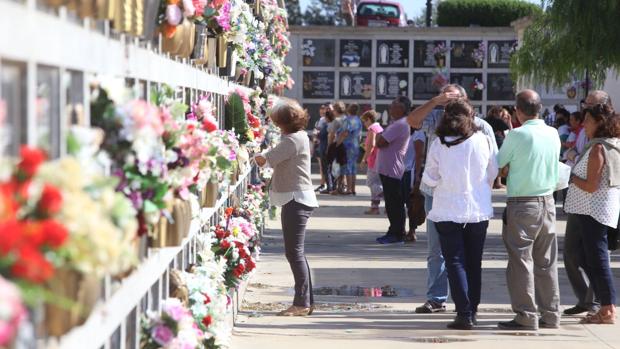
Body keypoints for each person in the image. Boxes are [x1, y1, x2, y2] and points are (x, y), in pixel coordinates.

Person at [406, 84, 497, 314]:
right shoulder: (436, 120)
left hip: (465, 202)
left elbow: (493, 167)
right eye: (445, 99)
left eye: (452, 101)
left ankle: (465, 307)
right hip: (443, 200)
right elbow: (412, 121)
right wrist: (435, 102)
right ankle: (439, 298)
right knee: (438, 251)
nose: (448, 106)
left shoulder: (482, 128)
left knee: (462, 257)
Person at [497, 89, 561, 330]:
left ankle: (526, 315)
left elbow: (499, 163)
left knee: (521, 260)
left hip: (523, 203)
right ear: (540, 108)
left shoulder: (517, 135)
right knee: (546, 261)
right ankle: (551, 314)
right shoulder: (553, 133)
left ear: (518, 111)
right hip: (548, 201)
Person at [254, 99, 319, 316]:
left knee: (294, 253)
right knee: (297, 252)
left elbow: (266, 160)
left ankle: (301, 304)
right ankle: (306, 301)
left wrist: (250, 153)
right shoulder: (297, 137)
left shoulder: (291, 141)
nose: (275, 125)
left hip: (296, 199)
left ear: (283, 122)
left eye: (277, 121)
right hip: (297, 198)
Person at [564, 104, 620, 324]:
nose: (584, 124)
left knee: (596, 260)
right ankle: (606, 304)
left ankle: (607, 309)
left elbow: (590, 186)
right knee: (584, 256)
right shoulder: (614, 144)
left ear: (599, 122)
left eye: (587, 120)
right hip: (601, 208)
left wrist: (569, 175)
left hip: (592, 210)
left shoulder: (598, 148)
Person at [375, 96, 412, 244]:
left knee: (394, 203)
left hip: (392, 169)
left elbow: (380, 142)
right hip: (389, 169)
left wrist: (379, 134)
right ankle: (394, 231)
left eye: (393, 106)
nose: (390, 108)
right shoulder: (397, 123)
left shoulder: (400, 124)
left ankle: (397, 234)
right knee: (392, 203)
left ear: (401, 109)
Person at [402, 128, 426, 242]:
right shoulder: (405, 131)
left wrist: (417, 176)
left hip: (410, 172)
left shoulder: (418, 134)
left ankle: (412, 231)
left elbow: (419, 155)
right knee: (401, 202)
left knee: (412, 203)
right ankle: (401, 229)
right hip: (401, 171)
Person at [360, 110, 384, 214]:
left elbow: (371, 145)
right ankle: (375, 207)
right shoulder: (379, 128)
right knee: (377, 183)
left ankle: (387, 195)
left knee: (370, 183)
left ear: (369, 119)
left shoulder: (372, 129)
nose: (364, 124)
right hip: (381, 160)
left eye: (364, 121)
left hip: (374, 160)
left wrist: (364, 159)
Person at [338, 103, 363, 195]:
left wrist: (337, 143)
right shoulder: (358, 120)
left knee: (348, 167)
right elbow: (359, 136)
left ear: (348, 110)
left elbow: (345, 133)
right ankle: (353, 189)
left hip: (347, 145)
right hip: (356, 145)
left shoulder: (347, 120)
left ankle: (348, 189)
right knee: (353, 167)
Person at [485, 106, 512, 189]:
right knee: (498, 162)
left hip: (486, 142)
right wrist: (509, 121)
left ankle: (491, 182)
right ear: (496, 112)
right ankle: (498, 182)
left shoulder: (485, 120)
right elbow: (508, 128)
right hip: (497, 141)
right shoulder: (498, 120)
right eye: (500, 112)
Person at [327, 101, 347, 194]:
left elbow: (332, 134)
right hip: (348, 145)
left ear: (336, 110)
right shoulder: (346, 118)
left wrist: (329, 146)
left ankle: (339, 188)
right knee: (344, 166)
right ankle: (343, 187)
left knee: (336, 167)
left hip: (338, 145)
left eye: (334, 110)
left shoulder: (337, 120)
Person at [318, 104, 335, 193]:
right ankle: (333, 186)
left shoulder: (327, 126)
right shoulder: (333, 124)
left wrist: (317, 133)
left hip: (325, 149)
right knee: (331, 168)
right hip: (330, 149)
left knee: (326, 169)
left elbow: (322, 135)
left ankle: (329, 187)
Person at [313, 104, 328, 192]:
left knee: (326, 167)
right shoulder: (319, 120)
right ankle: (323, 184)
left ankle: (329, 184)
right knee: (321, 166)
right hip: (319, 146)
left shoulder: (327, 120)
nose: (322, 111)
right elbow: (316, 131)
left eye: (324, 109)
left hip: (325, 145)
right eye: (321, 109)